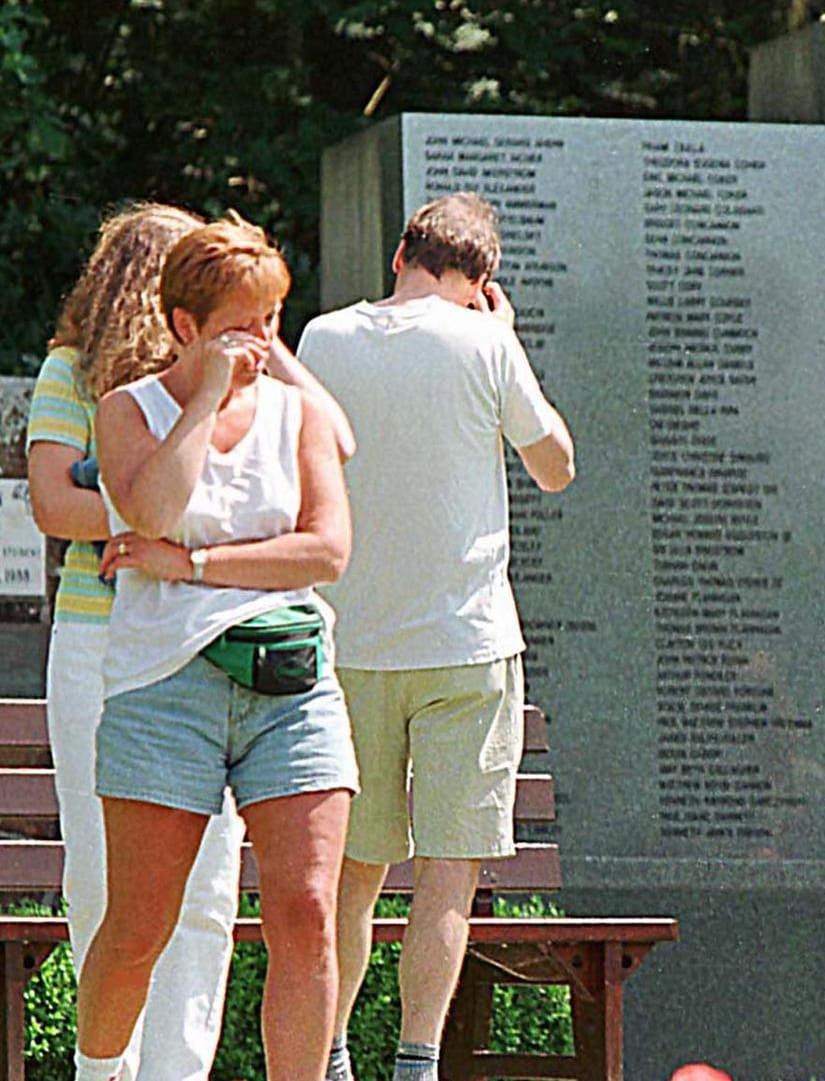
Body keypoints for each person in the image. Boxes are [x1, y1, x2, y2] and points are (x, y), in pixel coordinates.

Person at [297, 191, 574, 1081]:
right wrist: (508, 340)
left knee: (353, 872)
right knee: (447, 871)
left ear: (399, 258)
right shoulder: (487, 341)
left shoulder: (322, 340)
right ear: (480, 280)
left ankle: (331, 1056)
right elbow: (556, 466)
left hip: (349, 644)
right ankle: (416, 1064)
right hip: (467, 640)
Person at [78, 214, 361, 1081]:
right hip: (166, 687)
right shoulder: (130, 411)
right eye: (239, 324)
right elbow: (151, 510)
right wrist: (203, 400)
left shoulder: (301, 414)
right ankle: (96, 1072)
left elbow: (326, 552)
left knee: (307, 912)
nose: (259, 344)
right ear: (184, 326)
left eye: (270, 321)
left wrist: (191, 564)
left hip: (292, 684)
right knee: (138, 925)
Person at [27, 202, 247, 1081]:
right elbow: (51, 502)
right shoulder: (69, 374)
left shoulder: (215, 383)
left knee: (208, 880)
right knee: (101, 873)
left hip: (202, 641)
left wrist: (156, 516)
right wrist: (151, 505)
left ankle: (176, 1071)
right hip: (97, 645)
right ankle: (105, 1067)